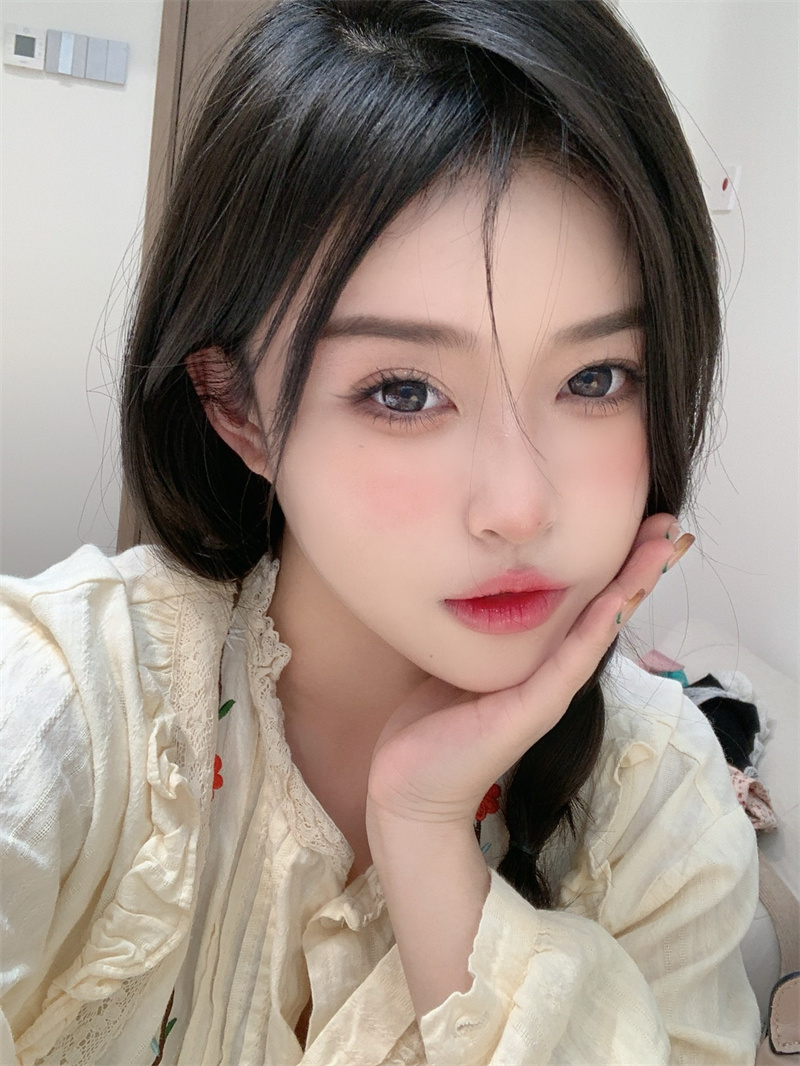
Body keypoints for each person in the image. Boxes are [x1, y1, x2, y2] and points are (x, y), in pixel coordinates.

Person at [1, 0, 762, 1062]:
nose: (519, 506)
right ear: (239, 410)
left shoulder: (660, 805)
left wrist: (428, 839)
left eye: (596, 378)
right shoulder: (74, 710)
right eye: (403, 391)